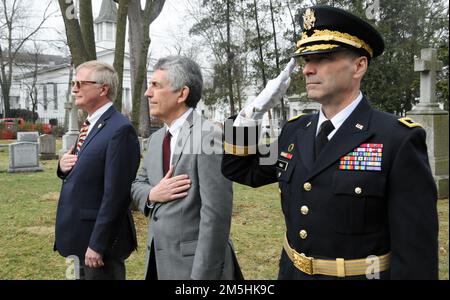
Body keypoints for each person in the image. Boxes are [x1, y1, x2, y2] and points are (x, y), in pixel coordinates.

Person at [221, 5, 438, 280]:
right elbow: (241, 169)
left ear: (359, 65)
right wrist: (251, 113)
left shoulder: (396, 139)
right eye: (306, 59)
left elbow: (415, 255)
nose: (308, 70)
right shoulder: (295, 131)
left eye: (322, 58)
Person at [131, 56, 243, 280]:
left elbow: (216, 217)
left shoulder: (208, 136)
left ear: (182, 94)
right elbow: (136, 186)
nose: (147, 93)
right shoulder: (156, 139)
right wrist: (153, 194)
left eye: (156, 86)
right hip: (158, 265)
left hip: (195, 270)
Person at [55, 60, 140, 280]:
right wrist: (62, 167)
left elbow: (117, 195)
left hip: (97, 245)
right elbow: (88, 169)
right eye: (74, 82)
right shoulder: (92, 123)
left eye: (80, 83)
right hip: (77, 237)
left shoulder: (120, 129)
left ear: (103, 89)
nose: (74, 88)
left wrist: (98, 243)